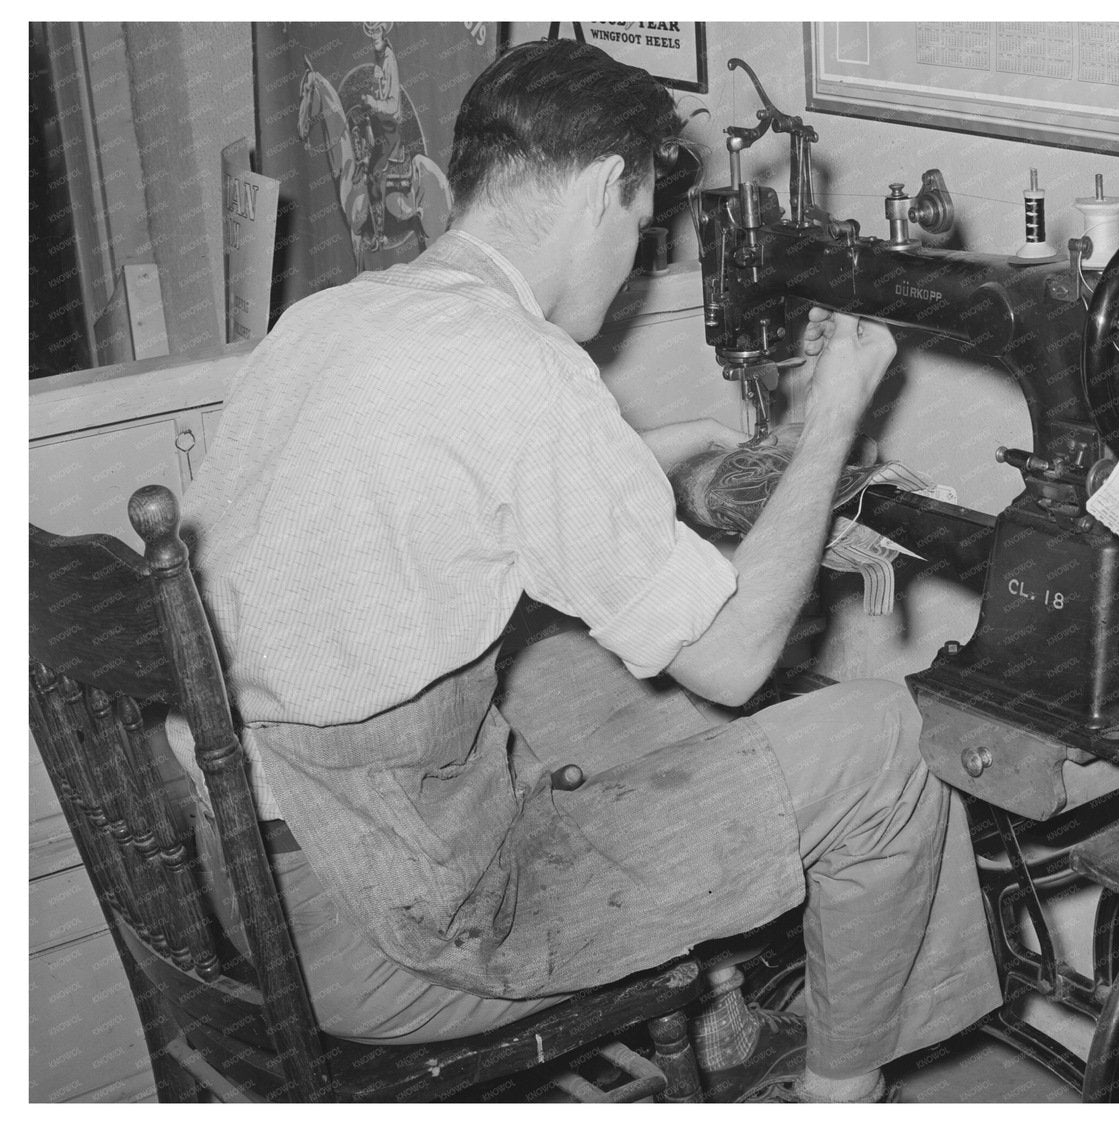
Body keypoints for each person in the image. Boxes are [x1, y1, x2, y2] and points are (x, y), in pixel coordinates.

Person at [172, 38, 1001, 1103]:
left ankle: (720, 1012)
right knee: (884, 737)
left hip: (258, 876)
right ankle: (842, 1089)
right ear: (609, 185)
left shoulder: (333, 320)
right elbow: (738, 660)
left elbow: (459, 483)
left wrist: (655, 450)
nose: (635, 265)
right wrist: (837, 411)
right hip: (402, 932)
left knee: (589, 678)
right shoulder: (526, 371)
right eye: (644, 230)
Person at [360, 23, 401, 249]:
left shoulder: (389, 61)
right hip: (377, 122)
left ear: (384, 32)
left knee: (375, 172)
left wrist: (373, 102)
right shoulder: (379, 58)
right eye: (371, 31)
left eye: (377, 30)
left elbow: (393, 103)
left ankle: (380, 233)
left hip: (388, 127)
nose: (374, 35)